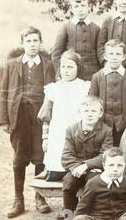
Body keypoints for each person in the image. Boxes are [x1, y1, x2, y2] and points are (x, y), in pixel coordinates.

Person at [0, 26, 55, 218]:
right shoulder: (12, 64)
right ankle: (18, 199)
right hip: (19, 115)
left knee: (40, 155)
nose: (32, 45)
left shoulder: (48, 65)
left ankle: (40, 197)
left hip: (40, 115)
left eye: (35, 41)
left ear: (41, 42)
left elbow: (52, 92)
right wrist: (4, 120)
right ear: (22, 43)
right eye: (28, 41)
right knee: (19, 157)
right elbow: (5, 92)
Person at [56, 95, 113, 220]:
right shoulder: (71, 129)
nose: (89, 114)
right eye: (86, 111)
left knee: (93, 184)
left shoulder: (106, 130)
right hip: (76, 169)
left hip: (94, 170)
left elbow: (104, 155)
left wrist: (87, 165)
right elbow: (66, 155)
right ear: (80, 112)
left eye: (94, 111)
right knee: (68, 183)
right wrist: (78, 167)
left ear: (100, 114)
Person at [37, 51, 91, 182]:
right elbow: (46, 115)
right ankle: (51, 170)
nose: (66, 71)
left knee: (76, 168)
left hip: (77, 129)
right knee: (56, 167)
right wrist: (45, 137)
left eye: (70, 67)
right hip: (58, 129)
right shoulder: (53, 88)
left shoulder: (85, 86)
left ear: (78, 68)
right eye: (63, 67)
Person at [72, 147, 126, 220]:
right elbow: (83, 207)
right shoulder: (93, 182)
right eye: (111, 165)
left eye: (119, 165)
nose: (115, 169)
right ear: (104, 165)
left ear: (125, 165)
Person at [89, 39, 126, 146]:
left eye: (118, 54)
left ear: (123, 57)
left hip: (123, 124)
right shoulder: (97, 77)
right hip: (103, 124)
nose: (114, 57)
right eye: (111, 54)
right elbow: (92, 101)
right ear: (105, 56)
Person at [51, 0, 100, 80]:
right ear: (72, 9)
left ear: (89, 7)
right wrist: (59, 73)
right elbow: (56, 54)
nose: (80, 9)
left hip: (92, 74)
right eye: (76, 6)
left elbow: (99, 52)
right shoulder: (65, 27)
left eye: (83, 6)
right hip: (72, 75)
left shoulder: (96, 28)